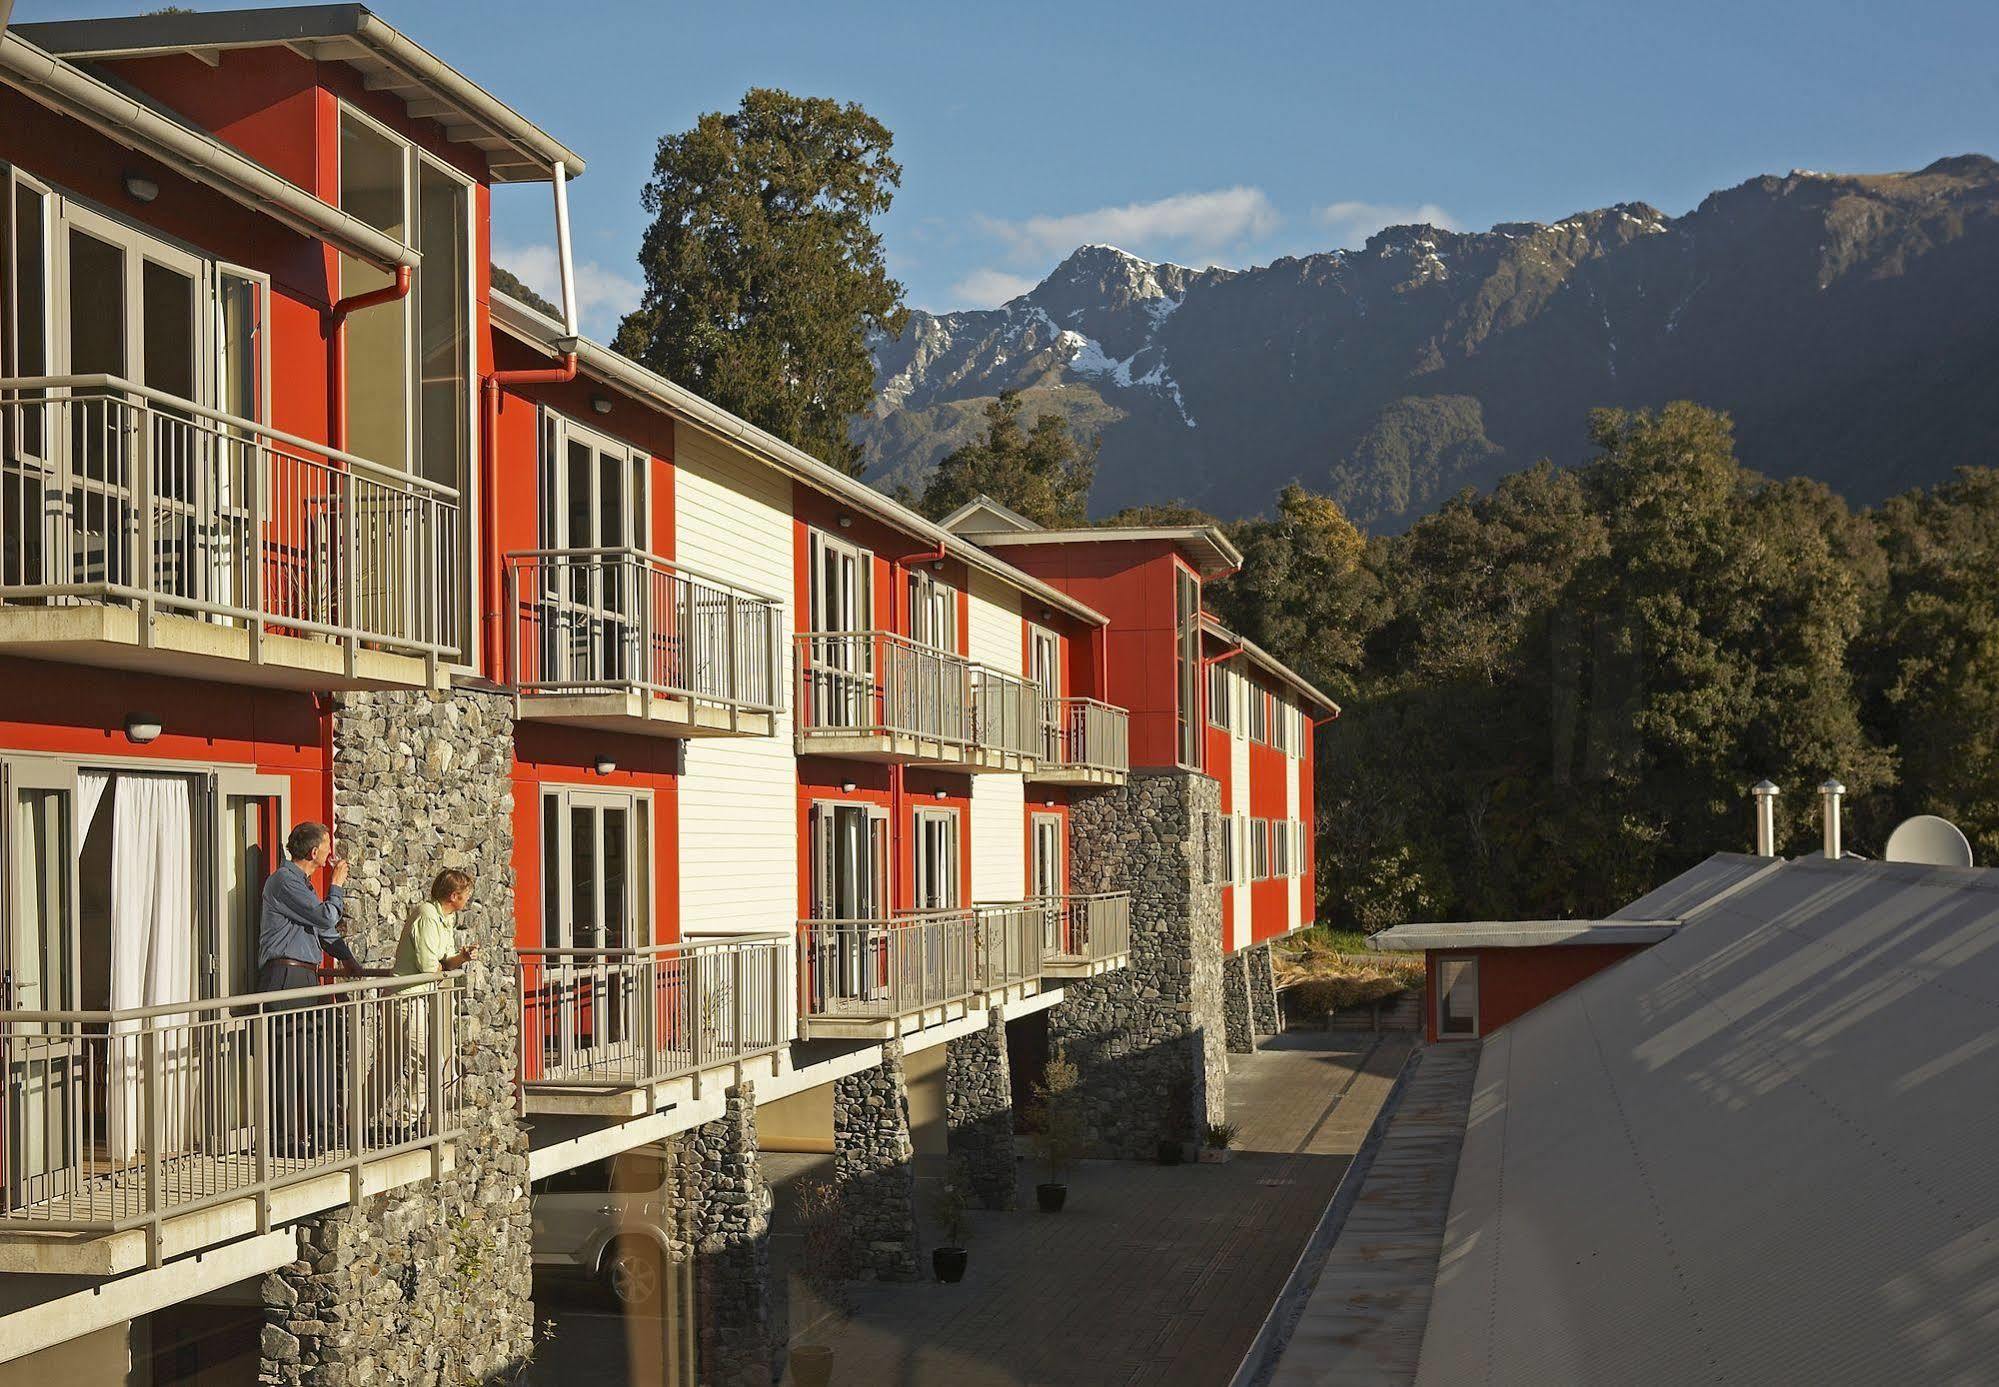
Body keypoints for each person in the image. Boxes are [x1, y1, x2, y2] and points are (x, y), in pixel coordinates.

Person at [258, 821, 362, 1154]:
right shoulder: (285, 881)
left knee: (318, 1055)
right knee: (288, 1060)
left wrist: (349, 962)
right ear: (315, 852)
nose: (331, 854)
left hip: (304, 976)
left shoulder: (300, 885)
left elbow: (325, 935)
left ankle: (326, 1131)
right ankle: (284, 1141)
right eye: (328, 847)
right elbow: (325, 919)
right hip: (285, 977)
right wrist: (336, 886)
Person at [384, 869, 477, 1135]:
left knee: (390, 1066)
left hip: (416, 997)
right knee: (424, 1062)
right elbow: (428, 966)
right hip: (407, 998)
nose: (468, 899)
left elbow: (445, 960)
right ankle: (405, 1125)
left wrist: (462, 957)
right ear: (453, 895)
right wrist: (443, 968)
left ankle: (354, 1121)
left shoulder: (446, 918)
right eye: (466, 895)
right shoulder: (427, 916)